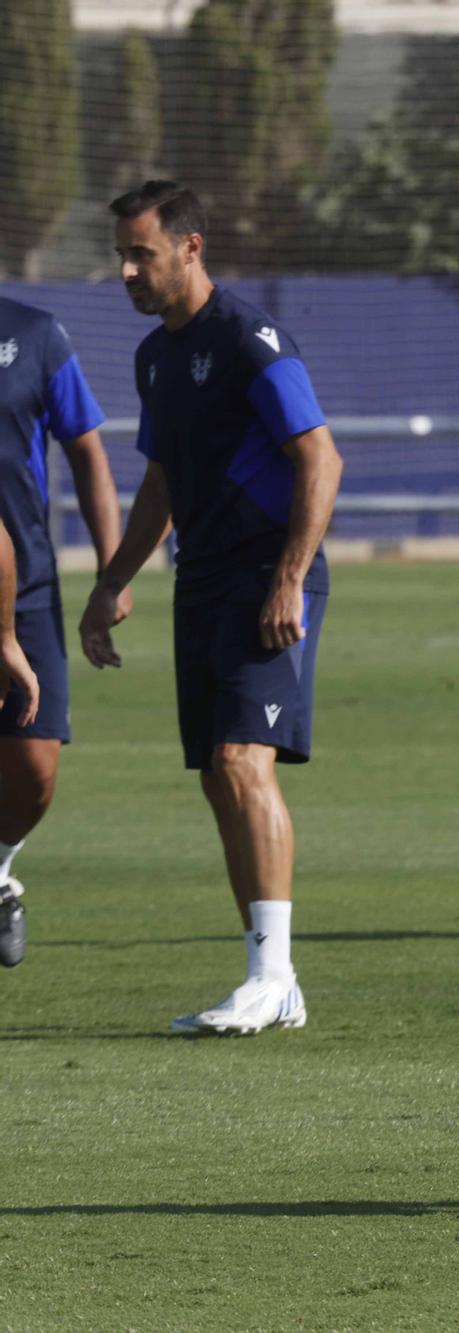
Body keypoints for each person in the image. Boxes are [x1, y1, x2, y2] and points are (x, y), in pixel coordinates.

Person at [81, 180, 344, 1035]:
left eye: (142, 254)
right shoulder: (156, 356)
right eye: (122, 254)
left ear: (191, 249)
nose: (127, 270)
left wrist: (289, 578)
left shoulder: (249, 342)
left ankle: (272, 978)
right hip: (201, 580)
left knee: (240, 760)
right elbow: (160, 481)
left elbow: (321, 459)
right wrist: (113, 579)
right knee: (215, 775)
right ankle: (274, 981)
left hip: (266, 575)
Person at [0, 295, 124, 967]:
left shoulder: (35, 334)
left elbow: (87, 450)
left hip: (26, 591)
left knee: (35, 769)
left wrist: (113, 569)